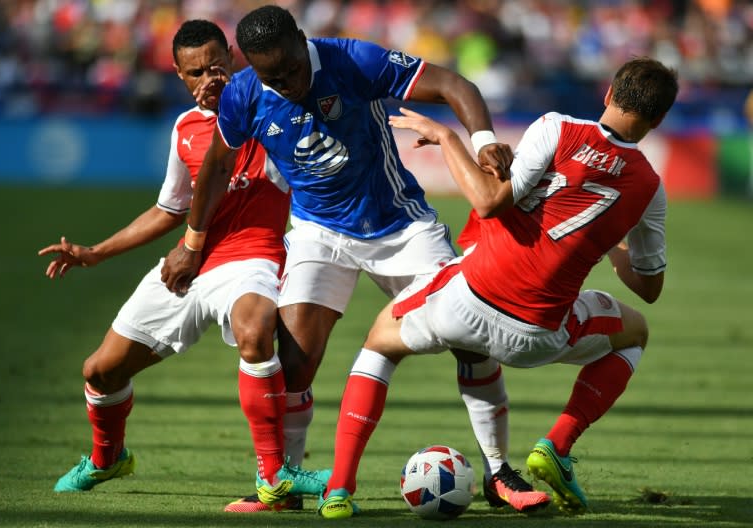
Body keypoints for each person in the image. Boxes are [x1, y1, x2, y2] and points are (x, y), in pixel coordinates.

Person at [160, 4, 549, 514]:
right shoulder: (244, 94)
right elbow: (215, 166)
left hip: (401, 227)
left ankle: (500, 473)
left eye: (294, 69)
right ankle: (284, 488)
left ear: (303, 41)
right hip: (320, 233)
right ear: (251, 67)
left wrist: (483, 142)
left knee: (473, 341)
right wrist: (192, 243)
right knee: (294, 364)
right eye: (274, 76)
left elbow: (457, 86)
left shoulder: (352, 60)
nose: (290, 84)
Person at [320, 56, 678, 518]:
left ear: (607, 94)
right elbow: (648, 286)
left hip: (466, 302)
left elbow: (490, 201)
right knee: (636, 331)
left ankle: (339, 488)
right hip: (539, 336)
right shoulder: (650, 187)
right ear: (659, 119)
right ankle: (554, 446)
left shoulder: (557, 128)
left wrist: (448, 137)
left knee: (379, 344)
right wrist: (608, 242)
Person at [41, 19, 328, 510]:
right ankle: (108, 458)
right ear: (178, 74)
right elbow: (169, 209)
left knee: (256, 334)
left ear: (235, 60)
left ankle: (273, 477)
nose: (207, 79)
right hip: (186, 266)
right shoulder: (185, 129)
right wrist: (95, 252)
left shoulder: (275, 106)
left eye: (216, 67)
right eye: (195, 72)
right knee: (100, 372)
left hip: (253, 256)